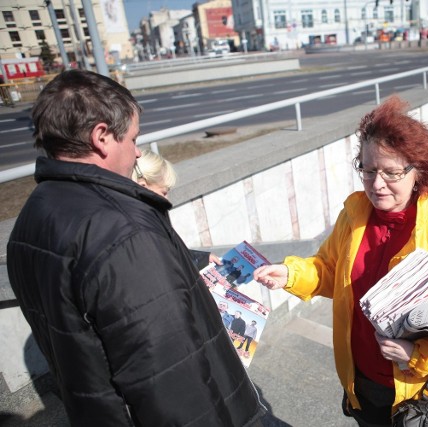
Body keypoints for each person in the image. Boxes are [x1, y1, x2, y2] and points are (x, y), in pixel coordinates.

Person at [6, 69, 267, 426]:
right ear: (101, 137)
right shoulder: (124, 230)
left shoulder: (30, 218)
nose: (137, 150)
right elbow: (172, 376)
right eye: (132, 138)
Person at [253, 95, 428, 426]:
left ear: (419, 172)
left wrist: (418, 356)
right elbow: (328, 271)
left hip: (426, 398)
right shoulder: (354, 216)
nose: (376, 184)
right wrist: (289, 274)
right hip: (364, 385)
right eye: (368, 170)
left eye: (391, 172)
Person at [131, 149, 218, 270]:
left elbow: (169, 252)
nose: (167, 199)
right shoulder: (140, 227)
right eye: (164, 192)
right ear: (142, 186)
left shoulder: (146, 216)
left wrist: (201, 259)